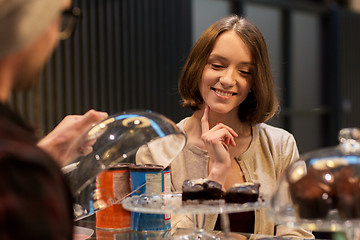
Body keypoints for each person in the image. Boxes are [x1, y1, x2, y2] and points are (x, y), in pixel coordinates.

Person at [170, 15, 314, 238]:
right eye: (217, 65)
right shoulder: (160, 149)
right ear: (198, 68)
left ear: (255, 83)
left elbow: (297, 235)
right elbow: (168, 235)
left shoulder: (280, 146)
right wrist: (216, 175)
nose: (228, 79)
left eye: (245, 72)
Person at [0, 0, 107, 239]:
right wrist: (35, 170)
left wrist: (47, 154)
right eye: (60, 16)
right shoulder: (18, 169)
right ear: (28, 23)